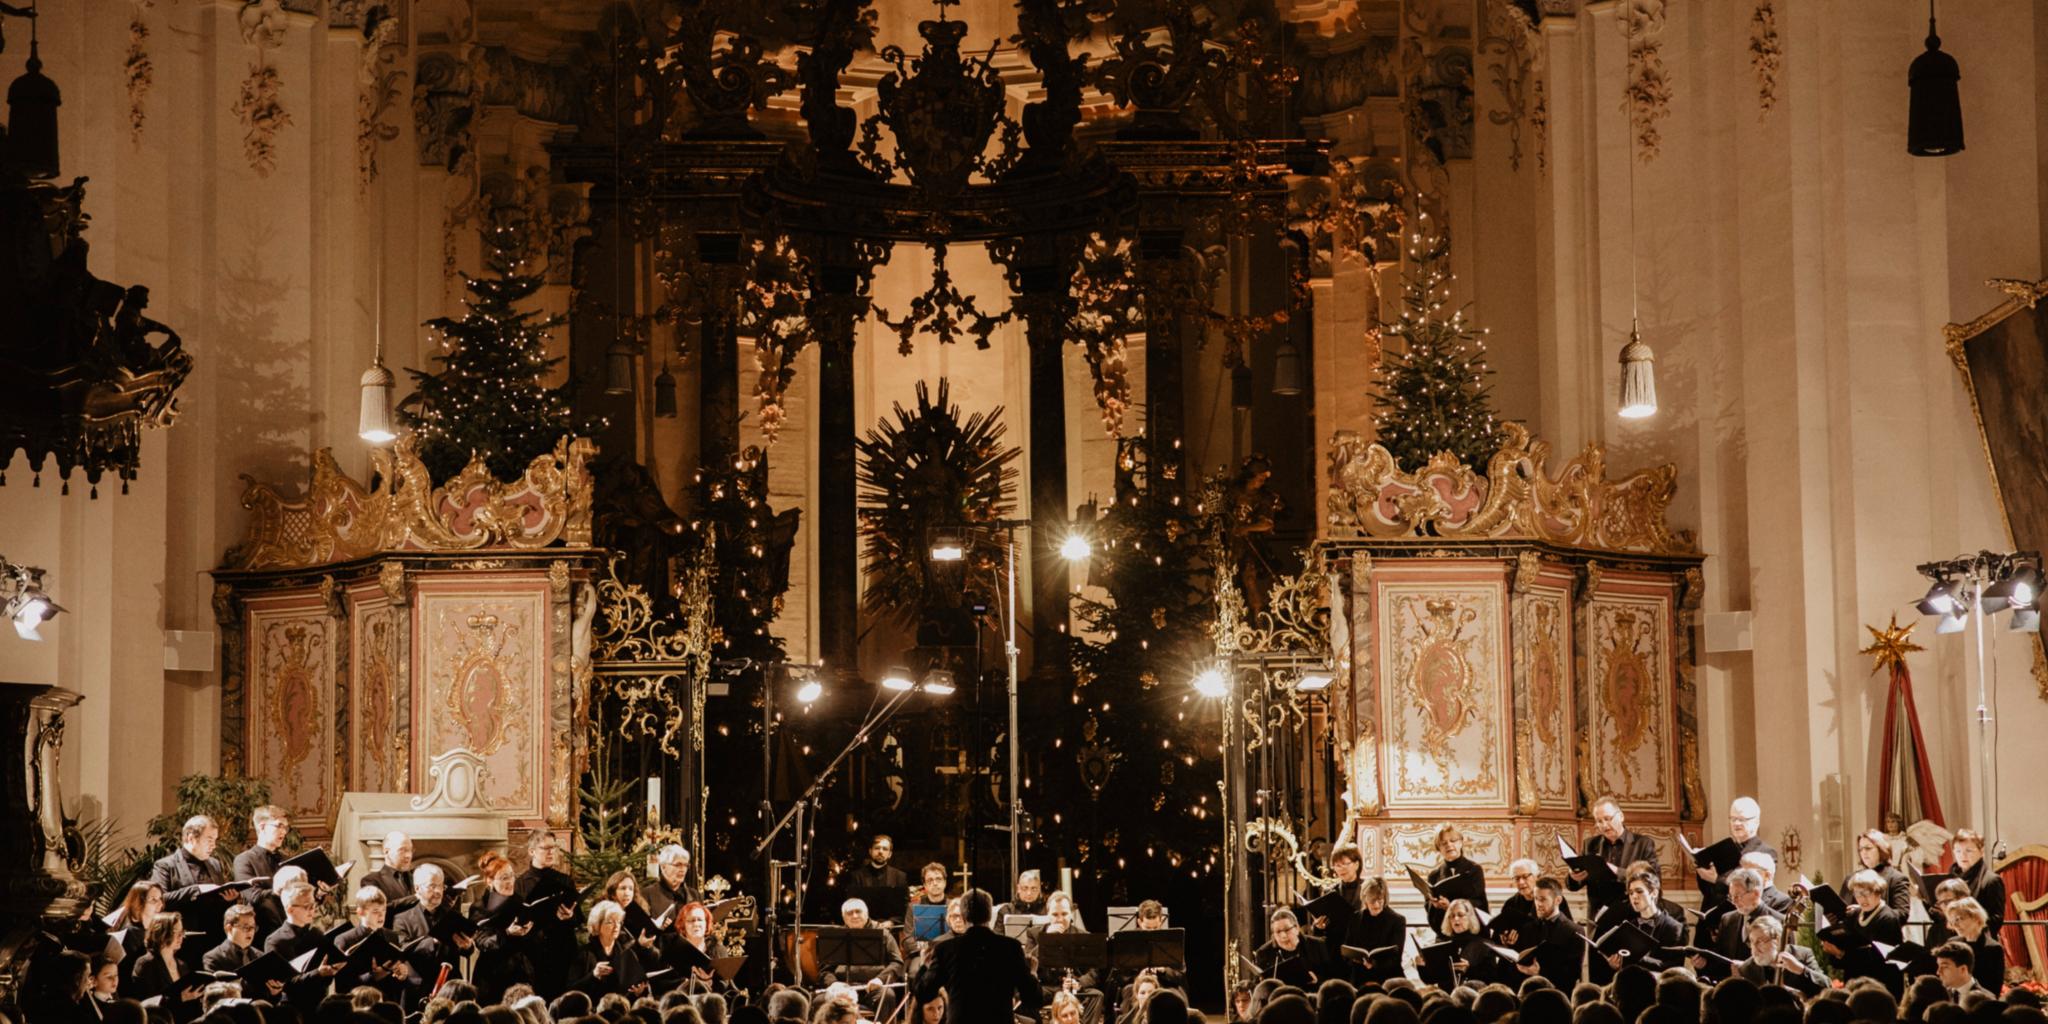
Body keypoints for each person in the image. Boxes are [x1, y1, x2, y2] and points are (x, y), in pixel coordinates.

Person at [912, 888, 1040, 1023]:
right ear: (990, 914)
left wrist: (925, 966)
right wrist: (1032, 973)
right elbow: (1033, 999)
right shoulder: (1011, 947)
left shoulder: (945, 949)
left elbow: (922, 993)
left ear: (963, 915)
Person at [149, 816, 242, 971]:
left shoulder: (214, 864)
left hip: (213, 939)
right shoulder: (165, 865)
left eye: (215, 839)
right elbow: (160, 900)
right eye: (210, 839)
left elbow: (217, 900)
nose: (214, 845)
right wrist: (195, 890)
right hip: (184, 941)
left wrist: (229, 899)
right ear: (191, 838)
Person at [330, 885, 422, 1007]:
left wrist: (402, 974)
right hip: (359, 1005)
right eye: (375, 911)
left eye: (384, 910)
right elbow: (342, 984)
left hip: (387, 1003)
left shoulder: (391, 936)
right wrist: (373, 976)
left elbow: (396, 980)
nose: (381, 916)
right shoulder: (345, 939)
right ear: (360, 912)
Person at [1571, 798, 1658, 924]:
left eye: (1608, 819)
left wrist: (1618, 871)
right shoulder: (1590, 845)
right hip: (1599, 920)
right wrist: (1574, 877)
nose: (1604, 825)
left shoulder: (1643, 844)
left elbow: (1653, 879)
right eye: (1599, 821)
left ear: (1621, 816)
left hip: (1631, 917)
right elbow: (1574, 885)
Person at [515, 829, 580, 997]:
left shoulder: (565, 880)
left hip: (562, 950)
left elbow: (579, 918)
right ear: (532, 851)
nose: (551, 852)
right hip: (534, 954)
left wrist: (570, 916)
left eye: (554, 847)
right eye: (546, 848)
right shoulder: (520, 884)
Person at [469, 850, 538, 1005]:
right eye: (504, 878)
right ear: (489, 881)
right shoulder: (480, 908)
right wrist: (507, 933)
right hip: (492, 976)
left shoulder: (521, 902)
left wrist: (528, 931)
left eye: (512, 876)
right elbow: (483, 942)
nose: (510, 881)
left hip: (521, 974)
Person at [262, 880, 346, 1007]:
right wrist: (319, 973)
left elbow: (326, 975)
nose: (313, 910)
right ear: (290, 909)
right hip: (292, 1008)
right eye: (307, 906)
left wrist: (333, 968)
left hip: (320, 1003)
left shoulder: (316, 934)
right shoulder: (275, 941)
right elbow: (284, 984)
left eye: (313, 905)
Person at [820, 897, 905, 1018]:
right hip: (842, 988)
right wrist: (834, 984)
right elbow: (825, 970)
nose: (854, 916)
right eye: (850, 913)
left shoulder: (883, 933)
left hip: (872, 988)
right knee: (819, 1001)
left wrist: (880, 979)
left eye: (858, 911)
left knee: (887, 996)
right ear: (844, 918)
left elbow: (897, 962)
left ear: (866, 914)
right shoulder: (836, 935)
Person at [1022, 892, 1100, 1024]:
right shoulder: (1034, 934)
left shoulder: (1084, 936)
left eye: (1064, 914)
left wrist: (1079, 983)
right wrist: (1046, 940)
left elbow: (1094, 971)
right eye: (1055, 914)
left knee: (1097, 996)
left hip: (1074, 988)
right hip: (1046, 988)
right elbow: (1027, 964)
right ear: (1048, 914)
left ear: (1071, 914)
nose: (1059, 919)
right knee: (1026, 996)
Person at [1594, 872, 1684, 981]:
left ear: (1654, 893)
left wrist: (1638, 958)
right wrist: (1616, 966)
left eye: (1639, 891)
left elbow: (1672, 968)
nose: (1634, 896)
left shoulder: (1673, 927)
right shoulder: (1629, 926)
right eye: (1631, 893)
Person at [1696, 798, 1778, 912]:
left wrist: (1717, 879)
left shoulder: (1766, 852)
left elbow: (1753, 888)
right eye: (1733, 819)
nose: (1736, 824)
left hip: (1739, 913)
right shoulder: (1723, 849)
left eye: (1742, 819)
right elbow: (1709, 890)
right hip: (1713, 917)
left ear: (1756, 821)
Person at [122, 915, 203, 1019]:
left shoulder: (182, 965)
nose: (181, 936)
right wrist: (180, 998)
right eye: (175, 932)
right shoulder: (145, 963)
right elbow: (146, 1003)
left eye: (182, 931)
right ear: (161, 933)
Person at [231, 806, 291, 942]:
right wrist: (278, 891)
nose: (284, 831)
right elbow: (252, 896)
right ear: (262, 827)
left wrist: (320, 891)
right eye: (279, 826)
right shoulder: (244, 859)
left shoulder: (287, 860)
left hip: (290, 932)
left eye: (286, 827)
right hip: (262, 934)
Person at [1510, 879, 1582, 989]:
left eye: (1543, 899)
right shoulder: (1528, 928)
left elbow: (1573, 974)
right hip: (1528, 992)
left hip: (1557, 994)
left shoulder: (1574, 931)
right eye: (1536, 899)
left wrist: (1539, 972)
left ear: (1558, 900)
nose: (1538, 904)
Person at [569, 901, 649, 1000]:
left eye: (619, 922)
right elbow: (571, 991)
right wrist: (593, 975)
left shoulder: (625, 951)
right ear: (597, 925)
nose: (616, 926)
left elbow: (628, 988)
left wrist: (638, 992)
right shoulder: (585, 954)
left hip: (621, 1007)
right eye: (610, 922)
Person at [1731, 915, 1825, 994]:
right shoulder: (1747, 968)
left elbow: (1826, 986)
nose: (1754, 948)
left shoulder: (1802, 954)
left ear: (1777, 939)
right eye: (1751, 942)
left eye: (1760, 942)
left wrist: (1801, 969)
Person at [1424, 825, 1488, 937]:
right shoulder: (1434, 875)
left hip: (1472, 933)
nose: (1449, 845)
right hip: (1445, 933)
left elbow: (1479, 902)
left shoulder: (1474, 869)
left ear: (1461, 843)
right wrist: (1434, 906)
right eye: (1443, 843)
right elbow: (1428, 909)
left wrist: (1452, 906)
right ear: (1439, 848)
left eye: (1453, 840)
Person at [1344, 878, 1406, 986]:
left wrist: (1375, 965)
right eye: (1372, 900)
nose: (1376, 904)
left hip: (1387, 978)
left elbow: (1396, 958)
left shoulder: (1397, 920)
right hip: (1359, 976)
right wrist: (1355, 960)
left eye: (1380, 900)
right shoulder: (1355, 918)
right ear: (1364, 898)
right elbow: (1347, 949)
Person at [1709, 868, 1781, 960]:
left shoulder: (1779, 921)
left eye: (1737, 896)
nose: (1734, 902)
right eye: (1731, 897)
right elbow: (1720, 957)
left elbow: (1782, 964)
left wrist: (1746, 968)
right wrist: (1704, 964)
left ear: (1756, 893)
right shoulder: (1727, 919)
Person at [1253, 908, 1332, 989]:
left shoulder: (1318, 945)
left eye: (1287, 930)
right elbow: (1257, 988)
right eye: (1278, 932)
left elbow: (1332, 978)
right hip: (1278, 999)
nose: (1283, 936)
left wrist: (1318, 980)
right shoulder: (1263, 953)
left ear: (1297, 928)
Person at [1944, 897, 2005, 996]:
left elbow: (1994, 989)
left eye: (1960, 919)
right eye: (1953, 921)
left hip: (1981, 1002)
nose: (1955, 925)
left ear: (1976, 917)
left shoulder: (1993, 948)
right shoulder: (1952, 944)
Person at [1949, 830, 2006, 935]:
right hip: (1948, 942)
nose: (1963, 855)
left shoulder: (1991, 880)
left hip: (1977, 943)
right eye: (1958, 851)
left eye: (1969, 851)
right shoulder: (1948, 880)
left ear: (1981, 851)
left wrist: (1969, 924)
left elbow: (1996, 920)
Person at [394, 864, 463, 946]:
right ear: (417, 888)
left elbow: (462, 950)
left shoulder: (452, 915)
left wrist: (467, 947)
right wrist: (433, 942)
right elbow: (403, 948)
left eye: (440, 886)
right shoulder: (402, 919)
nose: (438, 891)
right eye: (432, 886)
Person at [669, 901, 729, 995]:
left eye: (700, 920)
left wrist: (710, 983)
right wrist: (690, 984)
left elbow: (725, 985)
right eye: (691, 920)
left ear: (706, 924)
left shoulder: (717, 950)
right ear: (683, 925)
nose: (696, 924)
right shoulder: (674, 951)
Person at [1854, 829, 1912, 914]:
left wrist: (1863, 909)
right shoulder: (1853, 878)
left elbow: (1901, 914)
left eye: (1868, 848)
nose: (1863, 852)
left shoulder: (1897, 879)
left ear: (1881, 849)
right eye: (1860, 849)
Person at [1845, 869, 1905, 944]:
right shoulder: (1854, 915)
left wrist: (1841, 954)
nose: (1862, 898)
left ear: (1878, 892)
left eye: (1866, 893)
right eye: (1857, 894)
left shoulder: (1888, 918)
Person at [643, 845, 695, 922]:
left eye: (685, 865)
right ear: (663, 867)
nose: (683, 870)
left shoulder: (694, 894)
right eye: (678, 865)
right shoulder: (647, 895)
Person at [363, 832, 416, 904]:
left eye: (410, 850)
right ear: (386, 851)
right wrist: (416, 898)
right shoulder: (371, 881)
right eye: (402, 850)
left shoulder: (415, 877)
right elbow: (381, 908)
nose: (408, 855)